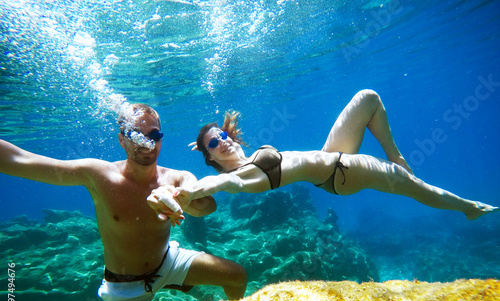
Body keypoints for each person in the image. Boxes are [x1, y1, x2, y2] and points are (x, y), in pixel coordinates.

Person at [0, 104, 247, 301]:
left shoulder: (174, 177)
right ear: (121, 139)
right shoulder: (98, 174)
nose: (147, 144)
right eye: (135, 135)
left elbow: (206, 206)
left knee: (237, 276)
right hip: (123, 285)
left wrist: (181, 198)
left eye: (154, 135)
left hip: (168, 261)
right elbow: (18, 161)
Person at [148, 90, 497, 221]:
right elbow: (219, 183)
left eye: (222, 135)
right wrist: (189, 192)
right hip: (342, 174)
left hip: (332, 157)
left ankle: (398, 156)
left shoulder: (251, 155)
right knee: (412, 186)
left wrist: (210, 141)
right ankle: (468, 207)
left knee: (368, 98)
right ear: (210, 158)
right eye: (213, 144)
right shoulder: (240, 175)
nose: (222, 141)